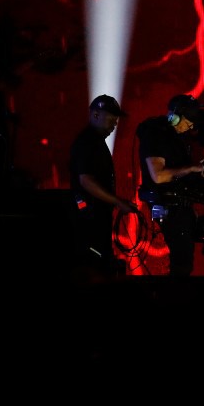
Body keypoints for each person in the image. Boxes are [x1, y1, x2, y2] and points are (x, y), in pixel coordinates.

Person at [135, 93, 204, 276]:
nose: (191, 126)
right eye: (189, 120)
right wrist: (190, 168)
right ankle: (174, 299)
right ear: (175, 116)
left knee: (185, 261)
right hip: (169, 206)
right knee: (182, 264)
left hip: (179, 205)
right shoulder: (155, 134)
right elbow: (159, 176)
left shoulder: (174, 137)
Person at [68, 94, 146, 277]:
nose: (115, 124)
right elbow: (86, 180)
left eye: (116, 119)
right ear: (95, 115)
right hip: (88, 221)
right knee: (93, 266)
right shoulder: (87, 142)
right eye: (111, 118)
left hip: (97, 218)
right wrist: (117, 201)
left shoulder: (95, 142)